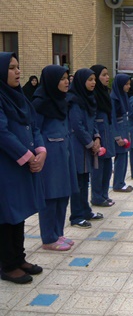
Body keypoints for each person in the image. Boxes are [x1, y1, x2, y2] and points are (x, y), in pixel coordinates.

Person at [0, 52, 46, 284]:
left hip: (22, 164)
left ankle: (19, 258)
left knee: (17, 213)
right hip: (6, 167)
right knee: (5, 215)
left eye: (18, 67)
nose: (18, 72)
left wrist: (41, 151)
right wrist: (28, 157)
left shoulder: (19, 97)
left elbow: (33, 125)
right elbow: (2, 133)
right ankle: (7, 265)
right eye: (11, 68)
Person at [33, 65, 77, 251]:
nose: (67, 82)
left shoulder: (62, 101)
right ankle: (48, 237)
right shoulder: (40, 103)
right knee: (50, 195)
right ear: (51, 81)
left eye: (67, 78)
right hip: (49, 155)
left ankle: (58, 233)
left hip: (64, 151)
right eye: (62, 79)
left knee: (63, 194)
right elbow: (35, 130)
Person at [67, 68, 103, 229]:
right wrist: (90, 143)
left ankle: (85, 211)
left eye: (94, 79)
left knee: (84, 179)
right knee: (78, 182)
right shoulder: (74, 101)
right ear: (81, 82)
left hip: (87, 145)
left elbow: (92, 120)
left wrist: (97, 137)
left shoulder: (89, 98)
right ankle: (76, 216)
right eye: (90, 80)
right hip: (77, 146)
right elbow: (77, 126)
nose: (93, 82)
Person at [89, 65, 116, 207]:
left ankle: (104, 194)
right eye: (104, 75)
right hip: (99, 136)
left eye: (107, 74)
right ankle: (97, 197)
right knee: (98, 168)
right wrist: (96, 136)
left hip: (107, 133)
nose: (107, 77)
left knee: (107, 167)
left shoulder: (105, 93)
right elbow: (91, 118)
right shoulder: (93, 96)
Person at [110, 74, 133, 193]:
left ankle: (121, 182)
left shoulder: (123, 96)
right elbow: (112, 119)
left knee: (124, 157)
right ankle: (118, 184)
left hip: (124, 128)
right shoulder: (114, 99)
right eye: (126, 84)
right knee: (120, 157)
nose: (128, 86)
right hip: (119, 130)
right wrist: (117, 137)